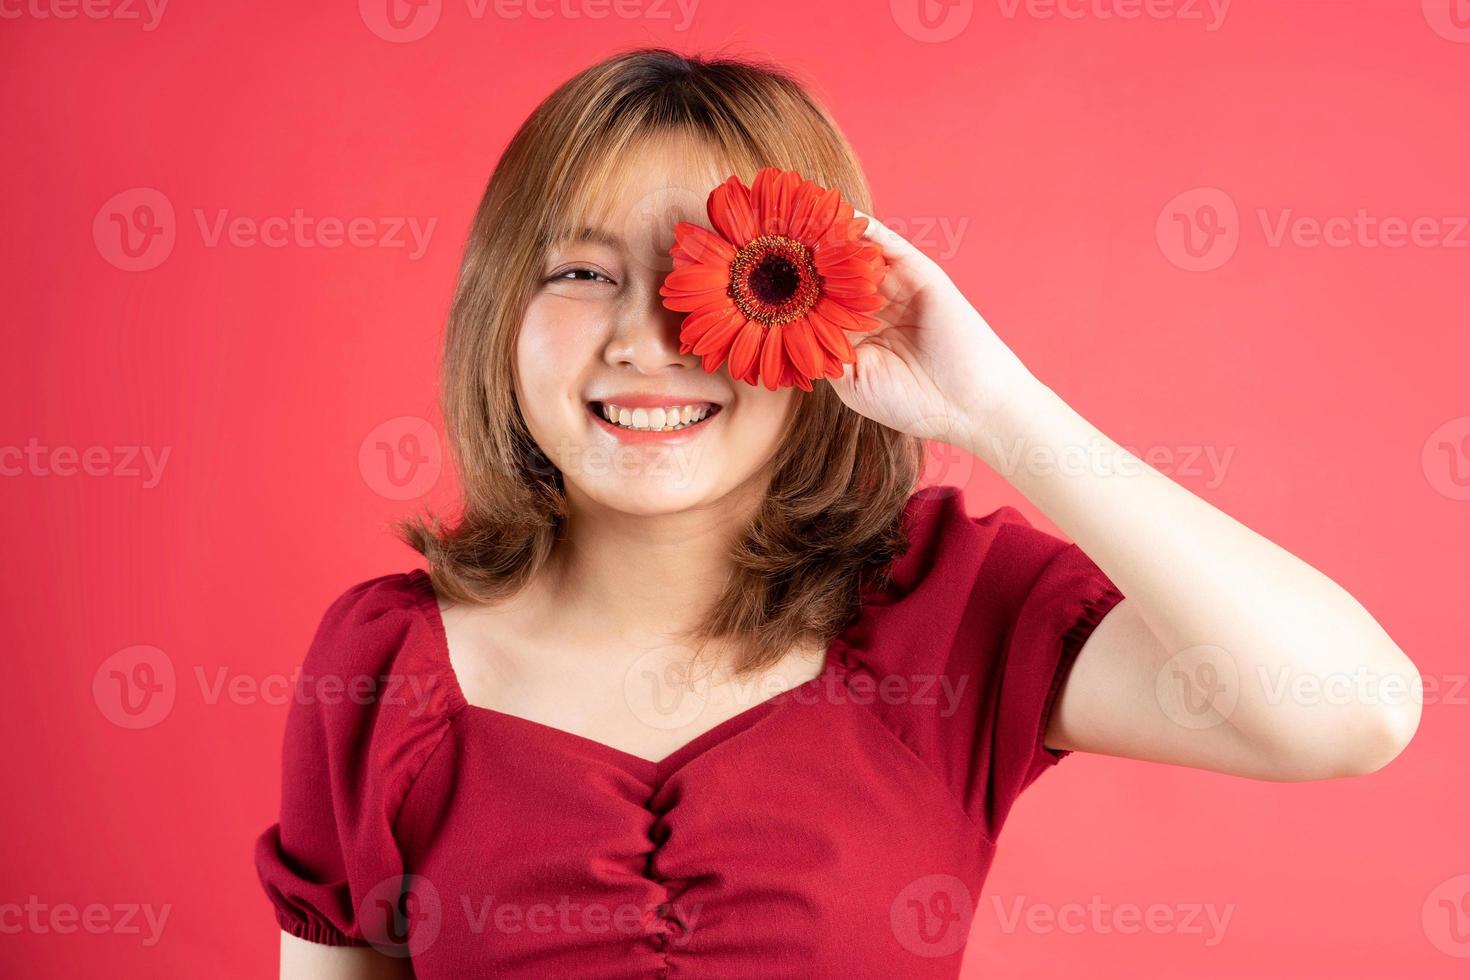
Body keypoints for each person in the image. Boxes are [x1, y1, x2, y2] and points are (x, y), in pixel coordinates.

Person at [255, 47, 1420, 979]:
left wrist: (997, 405)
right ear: (497, 313)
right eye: (580, 271)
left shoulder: (949, 616)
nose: (648, 340)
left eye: (715, 279)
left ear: (810, 311)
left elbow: (1349, 712)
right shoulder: (382, 668)